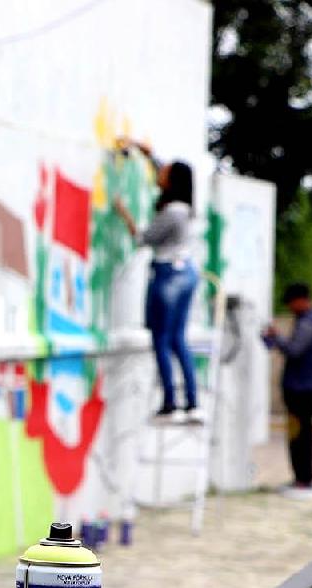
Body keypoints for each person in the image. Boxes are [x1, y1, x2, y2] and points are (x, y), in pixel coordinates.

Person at [115, 157, 199, 422]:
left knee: (161, 339)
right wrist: (146, 153)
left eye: (164, 172)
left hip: (167, 274)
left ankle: (170, 401)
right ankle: (192, 401)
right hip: (186, 272)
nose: (159, 173)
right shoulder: (185, 208)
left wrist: (124, 213)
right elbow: (166, 171)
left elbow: (143, 239)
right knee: (177, 339)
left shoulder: (172, 211)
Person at [262, 282, 312, 500]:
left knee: (299, 435)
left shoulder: (308, 324)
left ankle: (303, 479)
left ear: (301, 300)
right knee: (302, 433)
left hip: (302, 388)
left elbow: (294, 350)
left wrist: (275, 337)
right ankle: (302, 478)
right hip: (308, 385)